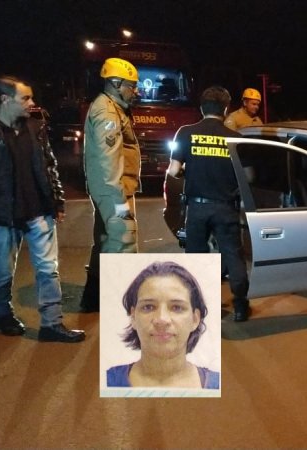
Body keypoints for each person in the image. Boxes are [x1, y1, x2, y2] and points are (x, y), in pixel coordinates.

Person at [0, 75, 85, 342]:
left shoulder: (36, 127)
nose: (32, 103)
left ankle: (51, 324)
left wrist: (57, 201)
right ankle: (4, 316)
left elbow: (50, 165)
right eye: (25, 98)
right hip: (2, 215)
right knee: (3, 271)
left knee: (48, 269)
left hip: (39, 212)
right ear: (5, 99)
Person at [168, 86, 251, 322]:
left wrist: (190, 172)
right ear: (225, 109)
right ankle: (240, 306)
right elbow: (249, 176)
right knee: (233, 255)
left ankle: (201, 306)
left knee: (197, 257)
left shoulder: (185, 133)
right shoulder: (236, 138)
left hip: (197, 207)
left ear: (202, 108)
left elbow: (173, 171)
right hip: (226, 207)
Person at [80, 57, 142, 312]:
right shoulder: (107, 112)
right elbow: (108, 162)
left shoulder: (113, 107)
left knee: (105, 242)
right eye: (131, 86)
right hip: (114, 191)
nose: (135, 91)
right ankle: (120, 310)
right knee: (123, 242)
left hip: (111, 190)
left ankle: (93, 300)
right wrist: (119, 203)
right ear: (116, 83)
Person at [106, 261, 219, 389]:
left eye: (176, 307)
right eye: (148, 307)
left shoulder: (218, 385)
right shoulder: (107, 381)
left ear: (195, 319)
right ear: (133, 317)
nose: (162, 319)